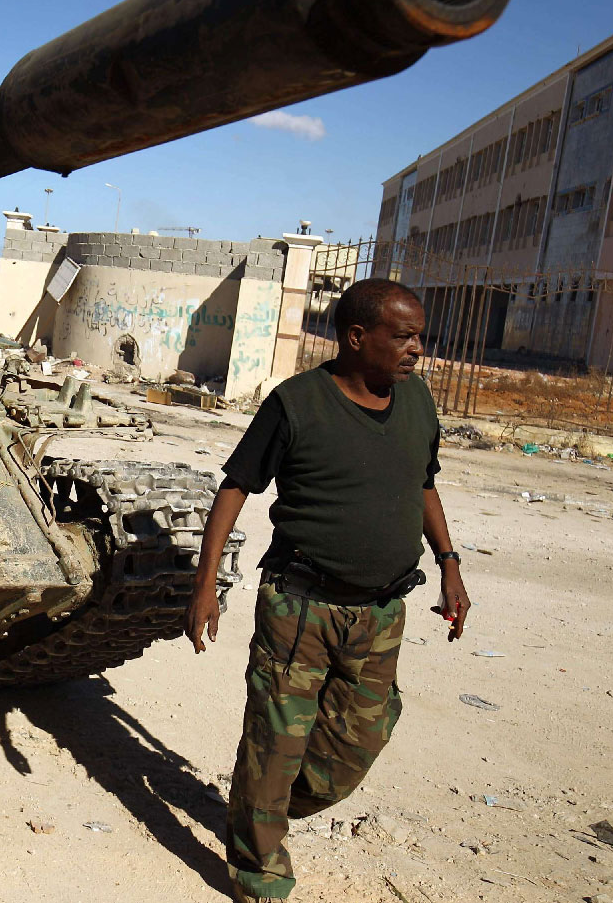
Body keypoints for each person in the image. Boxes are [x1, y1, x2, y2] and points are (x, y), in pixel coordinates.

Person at [183, 278, 472, 902]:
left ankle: (256, 806)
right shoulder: (296, 403)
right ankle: (259, 871)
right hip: (301, 605)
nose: (417, 348)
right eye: (404, 336)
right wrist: (205, 585)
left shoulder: (418, 402)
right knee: (277, 738)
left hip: (382, 610)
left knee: (355, 746)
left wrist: (449, 562)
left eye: (419, 335)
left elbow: (423, 484)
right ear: (356, 337)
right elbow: (234, 488)